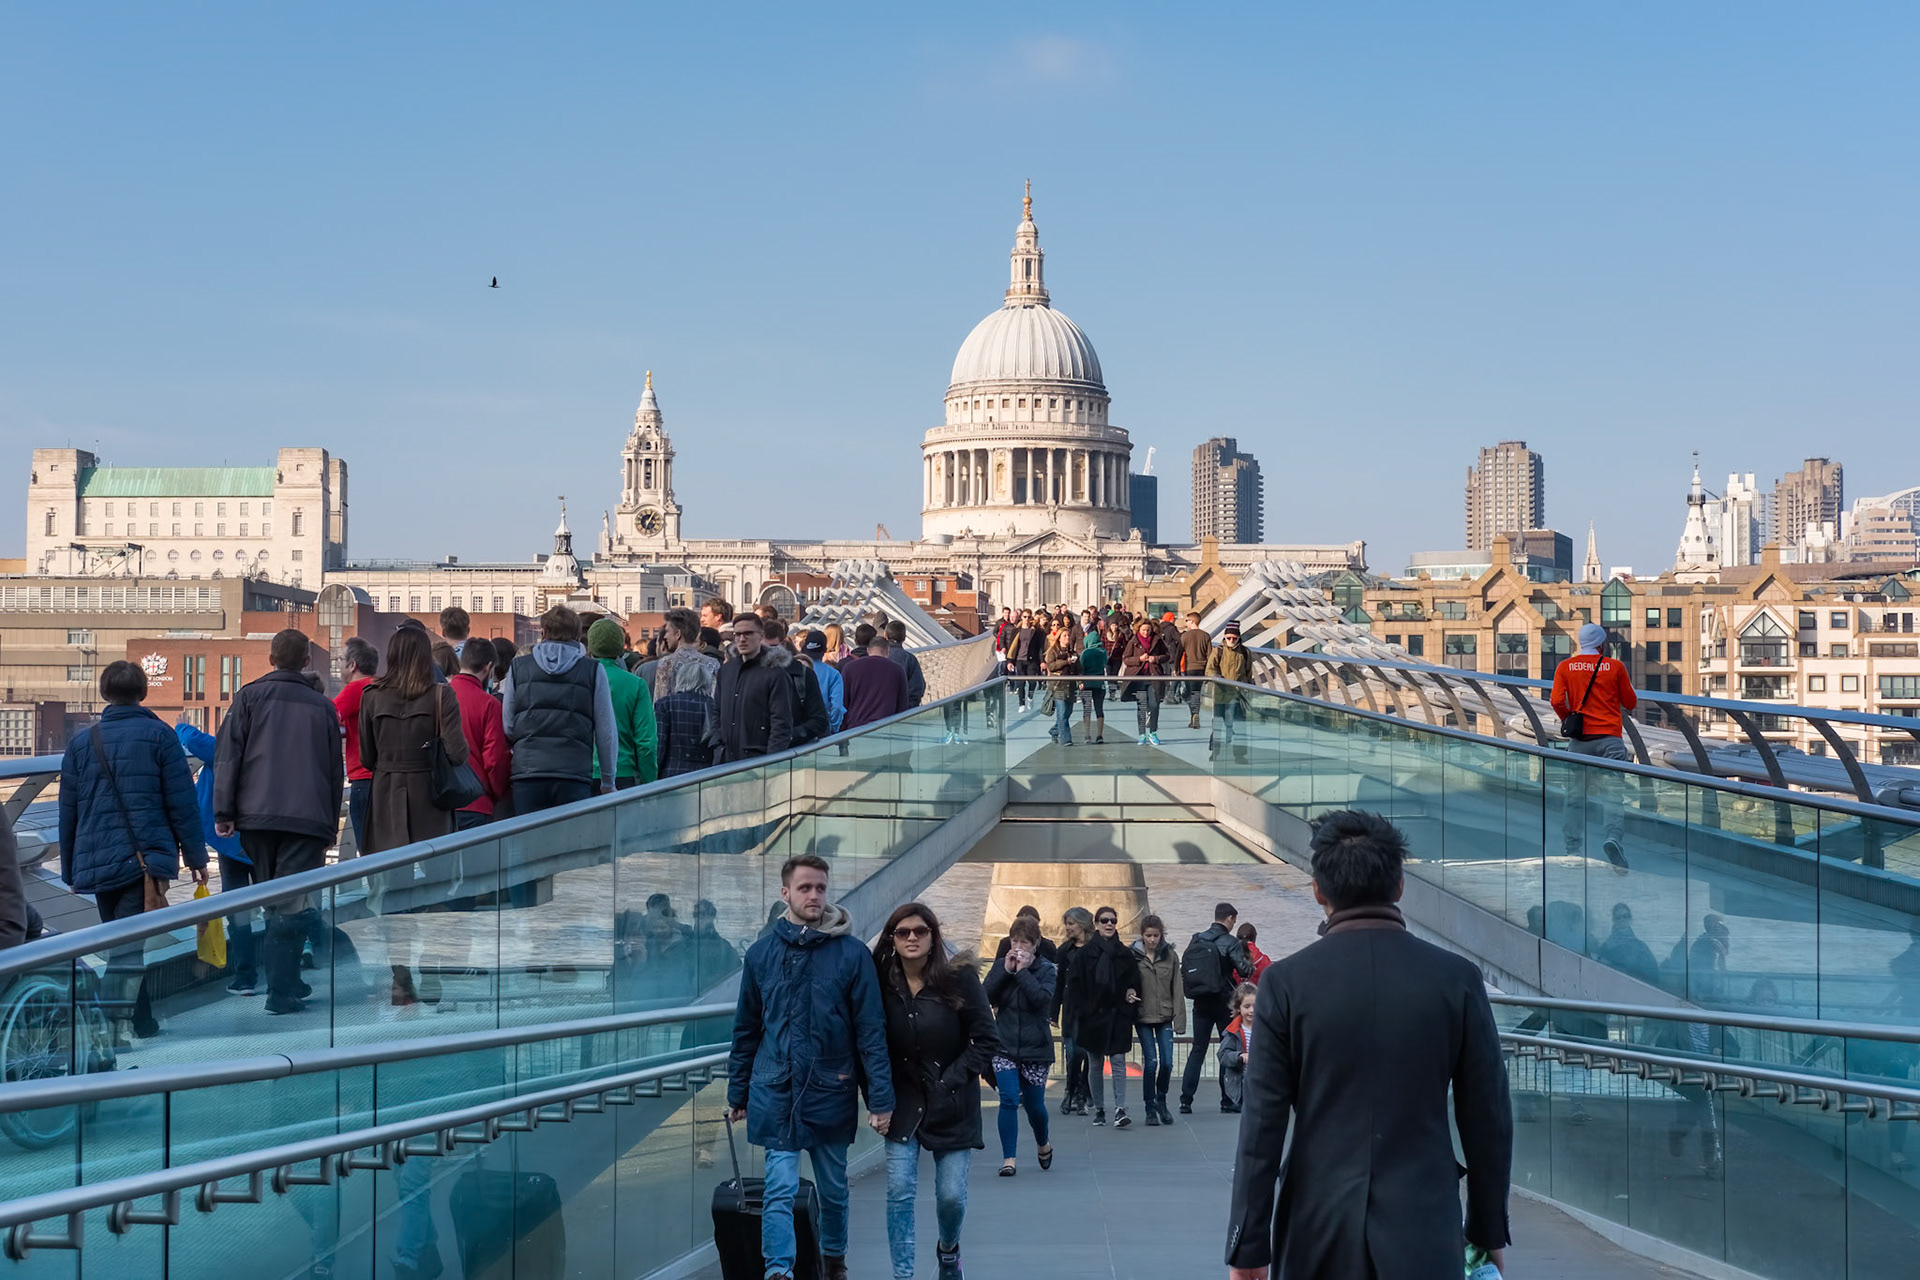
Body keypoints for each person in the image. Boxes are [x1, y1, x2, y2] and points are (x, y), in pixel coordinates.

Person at [1225, 809, 1511, 1280]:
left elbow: (1262, 1127)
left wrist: (1249, 1246)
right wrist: (1486, 1231)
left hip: (1315, 1222)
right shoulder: (1456, 979)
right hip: (1425, 1223)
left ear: (1318, 890)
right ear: (1399, 885)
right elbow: (1488, 1118)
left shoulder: (1285, 983)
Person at [728, 855, 893, 1280]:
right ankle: (777, 1271)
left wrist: (880, 1101)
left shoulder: (853, 955)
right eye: (805, 888)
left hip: (830, 1089)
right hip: (775, 1090)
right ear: (786, 893)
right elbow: (747, 1028)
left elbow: (870, 1032)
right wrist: (737, 1092)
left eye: (820, 887)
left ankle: (834, 1260)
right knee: (779, 1187)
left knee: (834, 1190)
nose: (814, 895)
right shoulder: (762, 954)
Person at [60, 661, 208, 1042]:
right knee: (127, 951)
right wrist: (195, 857)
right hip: (142, 860)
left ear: (105, 692)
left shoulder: (81, 742)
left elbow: (69, 812)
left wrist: (69, 872)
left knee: (121, 944)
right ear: (142, 692)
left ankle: (142, 1022)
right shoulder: (160, 736)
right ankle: (105, 1032)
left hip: (96, 861)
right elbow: (182, 802)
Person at [212, 629, 345, 1017]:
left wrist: (224, 812)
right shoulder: (321, 707)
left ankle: (283, 984)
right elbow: (333, 771)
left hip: (256, 818)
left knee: (271, 901)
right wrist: (329, 822)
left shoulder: (248, 697)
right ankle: (281, 990)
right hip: (306, 819)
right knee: (291, 905)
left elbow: (227, 756)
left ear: (270, 659)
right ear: (307, 661)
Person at [873, 902, 997, 1280]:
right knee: (899, 1191)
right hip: (903, 1103)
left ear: (932, 936)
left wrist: (949, 1080)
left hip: (952, 1102)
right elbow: (869, 1040)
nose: (912, 938)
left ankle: (948, 1249)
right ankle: (903, 1275)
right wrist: (876, 1097)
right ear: (892, 939)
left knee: (950, 1196)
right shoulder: (881, 982)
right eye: (903, 932)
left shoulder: (959, 978)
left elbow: (986, 1039)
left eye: (920, 931)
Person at [359, 627, 468, 856]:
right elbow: (457, 754)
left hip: (385, 793)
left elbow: (367, 758)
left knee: (389, 871)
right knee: (436, 870)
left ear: (391, 655)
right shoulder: (441, 695)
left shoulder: (371, 696)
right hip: (430, 793)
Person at [500, 606, 619, 814]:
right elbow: (605, 729)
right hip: (574, 772)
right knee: (570, 844)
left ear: (543, 632)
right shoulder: (592, 670)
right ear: (576, 634)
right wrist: (608, 781)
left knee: (528, 840)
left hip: (529, 772)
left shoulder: (518, 667)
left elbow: (508, 724)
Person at [1550, 620, 1637, 871]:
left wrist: (1569, 717)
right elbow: (1630, 702)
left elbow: (1556, 700)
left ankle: (1573, 848)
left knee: (1575, 796)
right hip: (1610, 739)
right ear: (1601, 644)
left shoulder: (1566, 667)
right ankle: (1612, 838)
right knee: (1613, 795)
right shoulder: (1614, 666)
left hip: (1580, 742)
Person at [176, 720, 254, 993]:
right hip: (266, 834)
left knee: (236, 906)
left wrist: (181, 725)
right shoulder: (267, 747)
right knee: (278, 902)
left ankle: (246, 976)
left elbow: (196, 740)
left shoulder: (224, 748)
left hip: (230, 838)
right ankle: (288, 968)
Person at [983, 914, 1056, 1175]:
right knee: (1009, 1099)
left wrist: (1023, 973)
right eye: (1015, 941)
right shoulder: (1002, 965)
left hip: (1036, 1047)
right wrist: (1006, 971)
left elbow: (1041, 999)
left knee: (1035, 1106)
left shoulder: (1047, 969)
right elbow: (984, 995)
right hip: (1004, 1045)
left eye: (1025, 942)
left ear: (1035, 944)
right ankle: (1009, 1159)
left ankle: (1042, 1142)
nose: (1019, 947)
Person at [1179, 901, 1255, 1114]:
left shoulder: (1197, 939)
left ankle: (1186, 1100)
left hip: (1201, 1002)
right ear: (1230, 918)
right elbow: (1244, 970)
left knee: (1198, 1049)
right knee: (1226, 1049)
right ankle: (1227, 1099)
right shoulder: (1230, 942)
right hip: (1224, 1003)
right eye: (1234, 920)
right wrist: (1249, 958)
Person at [1069, 904, 1141, 1127]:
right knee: (1095, 1063)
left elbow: (1134, 982)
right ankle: (1100, 1109)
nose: (1109, 924)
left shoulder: (1125, 954)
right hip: (1093, 1017)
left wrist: (1131, 994)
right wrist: (1084, 1011)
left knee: (1118, 1061)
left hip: (1118, 1015)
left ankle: (1119, 1108)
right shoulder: (1084, 954)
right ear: (1097, 925)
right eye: (1104, 920)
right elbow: (1074, 987)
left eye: (1113, 920)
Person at [708, 612, 796, 763]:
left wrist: (771, 763)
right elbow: (716, 710)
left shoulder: (775, 674)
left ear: (761, 636)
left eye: (748, 633)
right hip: (725, 759)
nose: (742, 639)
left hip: (758, 761)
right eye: (738, 634)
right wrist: (718, 741)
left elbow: (781, 724)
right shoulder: (727, 670)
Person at [587, 618, 659, 789]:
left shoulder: (578, 680)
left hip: (583, 772)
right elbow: (646, 741)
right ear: (621, 648)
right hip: (622, 772)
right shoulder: (635, 684)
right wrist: (650, 782)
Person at [448, 638, 511, 829]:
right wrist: (500, 793)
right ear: (488, 666)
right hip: (477, 802)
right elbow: (494, 760)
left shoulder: (438, 696)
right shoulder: (489, 704)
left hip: (443, 802)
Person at [1130, 913, 1185, 1126]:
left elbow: (1177, 990)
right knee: (1151, 1062)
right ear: (1142, 935)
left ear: (1161, 935)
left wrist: (1179, 1022)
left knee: (1168, 1063)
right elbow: (1126, 982)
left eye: (1156, 935)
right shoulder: (1133, 956)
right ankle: (1150, 1107)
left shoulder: (1170, 955)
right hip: (1143, 1016)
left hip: (1165, 1015)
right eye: (1148, 935)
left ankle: (1162, 1100)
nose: (1152, 940)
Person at [333, 636, 379, 852]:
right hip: (387, 779)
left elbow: (326, 718)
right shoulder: (380, 686)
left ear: (353, 665)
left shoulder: (355, 689)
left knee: (367, 848)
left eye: (341, 659)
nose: (339, 665)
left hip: (363, 778)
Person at [1052, 906, 1094, 1114]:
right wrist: (1053, 1014)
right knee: (1072, 1053)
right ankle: (1073, 1092)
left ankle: (1078, 1093)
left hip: (1092, 1010)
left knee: (1085, 1053)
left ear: (1083, 925)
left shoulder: (1097, 949)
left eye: (1071, 924)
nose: (1067, 928)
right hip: (1070, 1010)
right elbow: (1057, 984)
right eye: (1066, 924)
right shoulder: (1063, 952)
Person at [765, 617, 830, 747]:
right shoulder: (745, 673)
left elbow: (820, 719)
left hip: (791, 753)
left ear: (783, 644)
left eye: (772, 647)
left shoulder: (803, 675)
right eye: (761, 648)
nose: (765, 653)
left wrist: (789, 736)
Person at [654, 654, 718, 778]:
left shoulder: (665, 704)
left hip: (671, 774)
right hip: (706, 774)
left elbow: (659, 744)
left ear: (681, 679)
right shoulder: (714, 706)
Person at [842, 629, 911, 731]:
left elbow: (843, 702)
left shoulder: (849, 668)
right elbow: (903, 706)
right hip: (887, 728)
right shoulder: (897, 670)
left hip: (855, 729)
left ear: (868, 650)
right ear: (888, 651)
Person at [1120, 617, 1170, 746]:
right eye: (1143, 630)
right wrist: (1139, 659)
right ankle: (1141, 734)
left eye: (1148, 630)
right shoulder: (1133, 641)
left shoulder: (1157, 640)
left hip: (1153, 677)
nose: (1146, 633)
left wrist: (1156, 659)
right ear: (1138, 629)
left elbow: (1167, 655)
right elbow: (1126, 659)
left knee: (1154, 705)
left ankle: (1153, 732)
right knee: (1141, 706)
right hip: (1139, 677)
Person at [1206, 620, 1252, 759]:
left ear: (1239, 638)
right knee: (1218, 723)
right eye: (1229, 638)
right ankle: (1215, 752)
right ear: (1225, 637)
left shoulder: (1245, 652)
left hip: (1238, 693)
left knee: (1239, 724)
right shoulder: (1218, 651)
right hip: (1220, 692)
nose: (1231, 640)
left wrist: (1247, 687)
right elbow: (1209, 669)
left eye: (1234, 638)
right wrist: (1217, 677)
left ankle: (1239, 755)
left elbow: (1248, 673)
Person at [653, 607, 715, 700]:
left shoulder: (666, 663)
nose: (665, 636)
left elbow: (659, 702)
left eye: (667, 631)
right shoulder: (713, 663)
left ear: (678, 634)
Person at [1216, 981, 1258, 1111]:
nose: (1251, 1010)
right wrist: (1239, 1056)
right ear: (1238, 1008)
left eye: (1255, 1006)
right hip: (1241, 1080)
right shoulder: (1233, 1031)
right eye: (1247, 1006)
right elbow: (1222, 1055)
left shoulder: (1266, 1029)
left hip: (1261, 1080)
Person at [1596, 901, 1659, 986]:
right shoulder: (1607, 946)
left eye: (1625, 916)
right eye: (1618, 917)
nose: (1622, 919)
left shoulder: (1640, 946)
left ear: (1630, 919)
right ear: (1614, 921)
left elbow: (1653, 970)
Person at [800, 630, 845, 736]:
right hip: (822, 728)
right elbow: (837, 707)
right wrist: (834, 728)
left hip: (798, 728)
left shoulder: (794, 670)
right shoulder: (834, 674)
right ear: (825, 650)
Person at [1043, 622, 1080, 746]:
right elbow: (1051, 666)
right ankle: (1066, 739)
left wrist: (1080, 680)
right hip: (1058, 685)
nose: (1067, 638)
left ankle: (1054, 730)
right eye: (1064, 636)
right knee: (1062, 713)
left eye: (1068, 636)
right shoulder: (1052, 651)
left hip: (1070, 685)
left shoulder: (1072, 652)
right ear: (1059, 637)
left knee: (1068, 713)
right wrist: (1065, 662)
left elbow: (1078, 669)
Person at [990, 904, 1059, 966]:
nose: (1018, 946)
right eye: (1015, 941)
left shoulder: (1047, 946)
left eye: (1024, 942)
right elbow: (995, 973)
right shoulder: (1005, 943)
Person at [1178, 612, 1212, 728]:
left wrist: (1176, 668)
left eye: (1187, 620)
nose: (1186, 622)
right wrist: (1209, 671)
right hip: (1202, 669)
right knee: (1196, 692)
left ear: (1192, 621)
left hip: (1189, 668)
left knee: (1189, 693)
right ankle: (1195, 715)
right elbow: (1210, 656)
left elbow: (1179, 653)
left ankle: (1194, 714)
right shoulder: (1206, 636)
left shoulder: (1185, 636)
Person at [884, 620, 926, 707]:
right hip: (904, 709)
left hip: (881, 709)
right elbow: (917, 687)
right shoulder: (910, 659)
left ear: (885, 636)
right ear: (904, 638)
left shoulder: (878, 657)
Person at [1078, 628, 1108, 744]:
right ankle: (1100, 735)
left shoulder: (1086, 653)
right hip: (1099, 684)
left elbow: (1081, 668)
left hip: (1087, 683)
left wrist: (1080, 682)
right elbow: (1105, 663)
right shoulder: (1103, 652)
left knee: (1087, 710)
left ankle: (1087, 735)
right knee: (1099, 709)